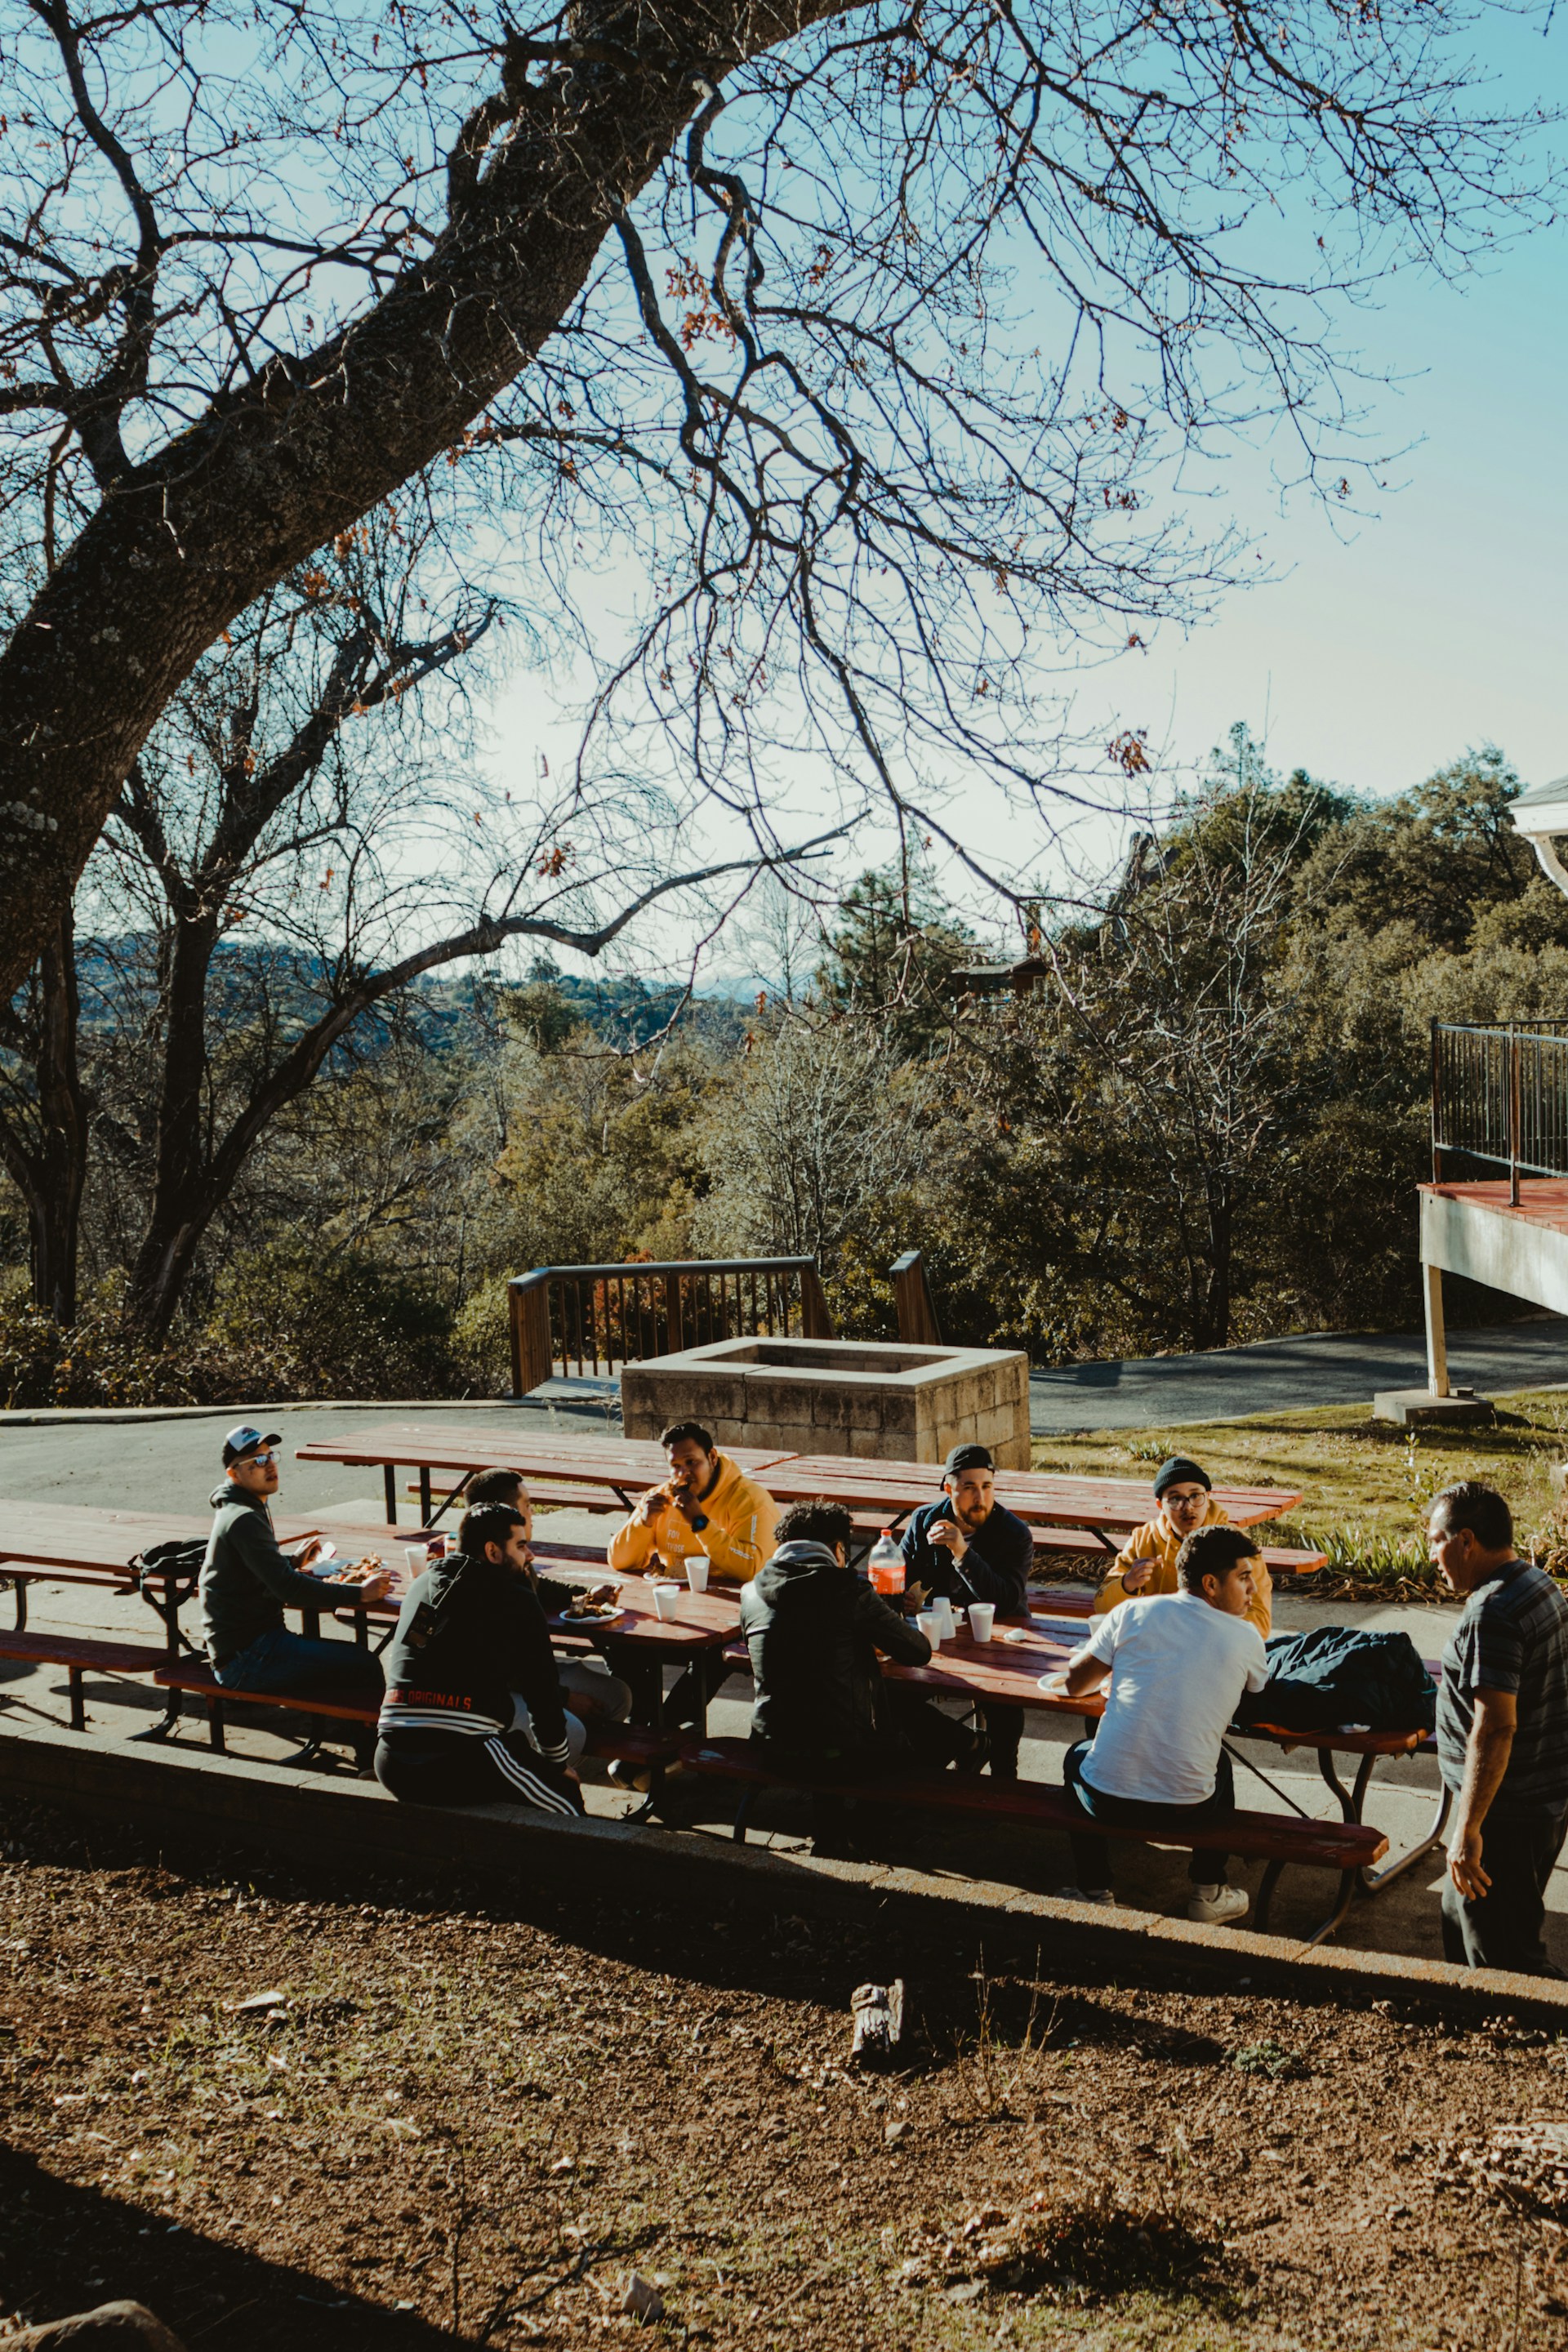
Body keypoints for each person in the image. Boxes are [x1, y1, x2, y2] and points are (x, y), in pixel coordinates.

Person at [1053, 1524, 1269, 1923]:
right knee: (1216, 1762)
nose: (1252, 1589)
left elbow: (1074, 1684)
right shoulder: (1246, 1637)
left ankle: (1094, 1890)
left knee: (1078, 1757)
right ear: (1210, 1584)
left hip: (1106, 1801)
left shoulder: (1131, 1612)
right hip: (1188, 1809)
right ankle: (1209, 1891)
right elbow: (1256, 1699)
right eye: (1243, 1578)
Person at [1429, 1481, 1568, 1976]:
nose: (1432, 1556)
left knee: (1507, 1957)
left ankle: (1539, 2034)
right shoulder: (1537, 1582)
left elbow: (1495, 1729)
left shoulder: (1494, 1610)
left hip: (1507, 1812)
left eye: (1436, 1541)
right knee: (1457, 1913)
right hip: (1530, 1798)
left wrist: (1468, 1829)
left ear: (1466, 1540)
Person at [375, 1502, 586, 1815]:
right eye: (521, 1545)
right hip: (458, 1755)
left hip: (390, 1757)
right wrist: (555, 1766)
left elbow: (416, 1652)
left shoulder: (422, 1585)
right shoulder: (517, 1599)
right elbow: (543, 1695)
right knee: (568, 1807)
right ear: (492, 1551)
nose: (530, 1556)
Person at [200, 1425, 388, 1757]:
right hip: (245, 1658)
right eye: (256, 1461)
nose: (269, 1465)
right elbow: (289, 1589)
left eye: (270, 1456)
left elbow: (257, 1567)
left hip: (248, 1646)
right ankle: (370, 1758)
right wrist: (360, 1594)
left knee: (345, 1661)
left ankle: (356, 1742)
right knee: (363, 1664)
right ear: (234, 1473)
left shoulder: (243, 1506)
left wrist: (289, 1559)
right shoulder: (242, 1517)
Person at [608, 1420, 781, 1729]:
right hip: (677, 1606)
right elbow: (619, 1560)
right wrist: (643, 1523)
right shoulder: (660, 1497)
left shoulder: (749, 1500)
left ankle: (660, 1731)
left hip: (734, 1612)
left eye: (692, 1462)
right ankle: (648, 1728)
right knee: (618, 1638)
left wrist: (700, 1523)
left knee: (713, 1654)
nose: (683, 1473)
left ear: (712, 1458)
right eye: (675, 1465)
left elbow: (752, 1567)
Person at [742, 1499, 933, 1774]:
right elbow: (918, 1651)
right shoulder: (850, 1590)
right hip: (844, 1754)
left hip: (771, 1747)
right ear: (837, 1550)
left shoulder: (750, 1593)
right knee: (908, 1721)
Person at [892, 1442, 1034, 1776]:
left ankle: (1004, 1777)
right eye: (969, 1487)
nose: (980, 1497)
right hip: (940, 1642)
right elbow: (896, 1577)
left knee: (1005, 1706)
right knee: (888, 1693)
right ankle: (962, 1743)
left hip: (1001, 1643)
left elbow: (1007, 1601)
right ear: (948, 1488)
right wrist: (902, 1597)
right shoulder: (924, 1520)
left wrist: (961, 1551)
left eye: (987, 1486)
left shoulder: (1014, 1533)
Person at [461, 1467, 633, 1736]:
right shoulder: (485, 1576)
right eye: (527, 1505)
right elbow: (506, 1668)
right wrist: (564, 1698)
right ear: (506, 1512)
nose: (533, 1513)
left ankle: (546, 1761)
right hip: (491, 1691)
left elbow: (540, 1586)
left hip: (526, 1677)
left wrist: (585, 1595)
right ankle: (540, 1766)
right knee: (573, 1732)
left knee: (616, 1695)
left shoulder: (511, 1557)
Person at [1091, 1455, 1272, 1639]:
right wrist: (1127, 1584)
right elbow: (1102, 1605)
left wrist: (1195, 1635)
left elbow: (1260, 1620)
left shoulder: (1234, 1544)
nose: (1187, 1507)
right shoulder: (1144, 1539)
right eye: (1175, 1499)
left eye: (1195, 1496)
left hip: (1214, 1649)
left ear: (1208, 1498)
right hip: (1156, 1645)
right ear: (1160, 1505)